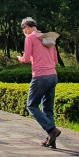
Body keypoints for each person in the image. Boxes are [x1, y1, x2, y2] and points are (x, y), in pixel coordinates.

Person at [18, 17, 61, 148]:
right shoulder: (47, 38)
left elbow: (25, 58)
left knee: (31, 106)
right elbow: (55, 61)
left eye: (23, 29)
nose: (24, 32)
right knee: (48, 108)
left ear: (27, 27)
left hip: (40, 77)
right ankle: (51, 140)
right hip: (53, 75)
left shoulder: (30, 38)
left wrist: (20, 58)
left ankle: (51, 130)